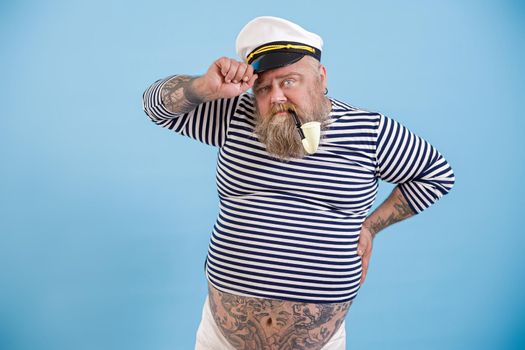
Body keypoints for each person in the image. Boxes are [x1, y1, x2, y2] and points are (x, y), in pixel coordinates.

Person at [142, 16, 454, 350]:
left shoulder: (370, 132)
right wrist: (204, 86)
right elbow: (155, 106)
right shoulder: (235, 116)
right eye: (263, 87)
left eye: (289, 81)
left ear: (321, 78)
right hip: (220, 339)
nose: (276, 97)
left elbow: (436, 175)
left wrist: (371, 227)